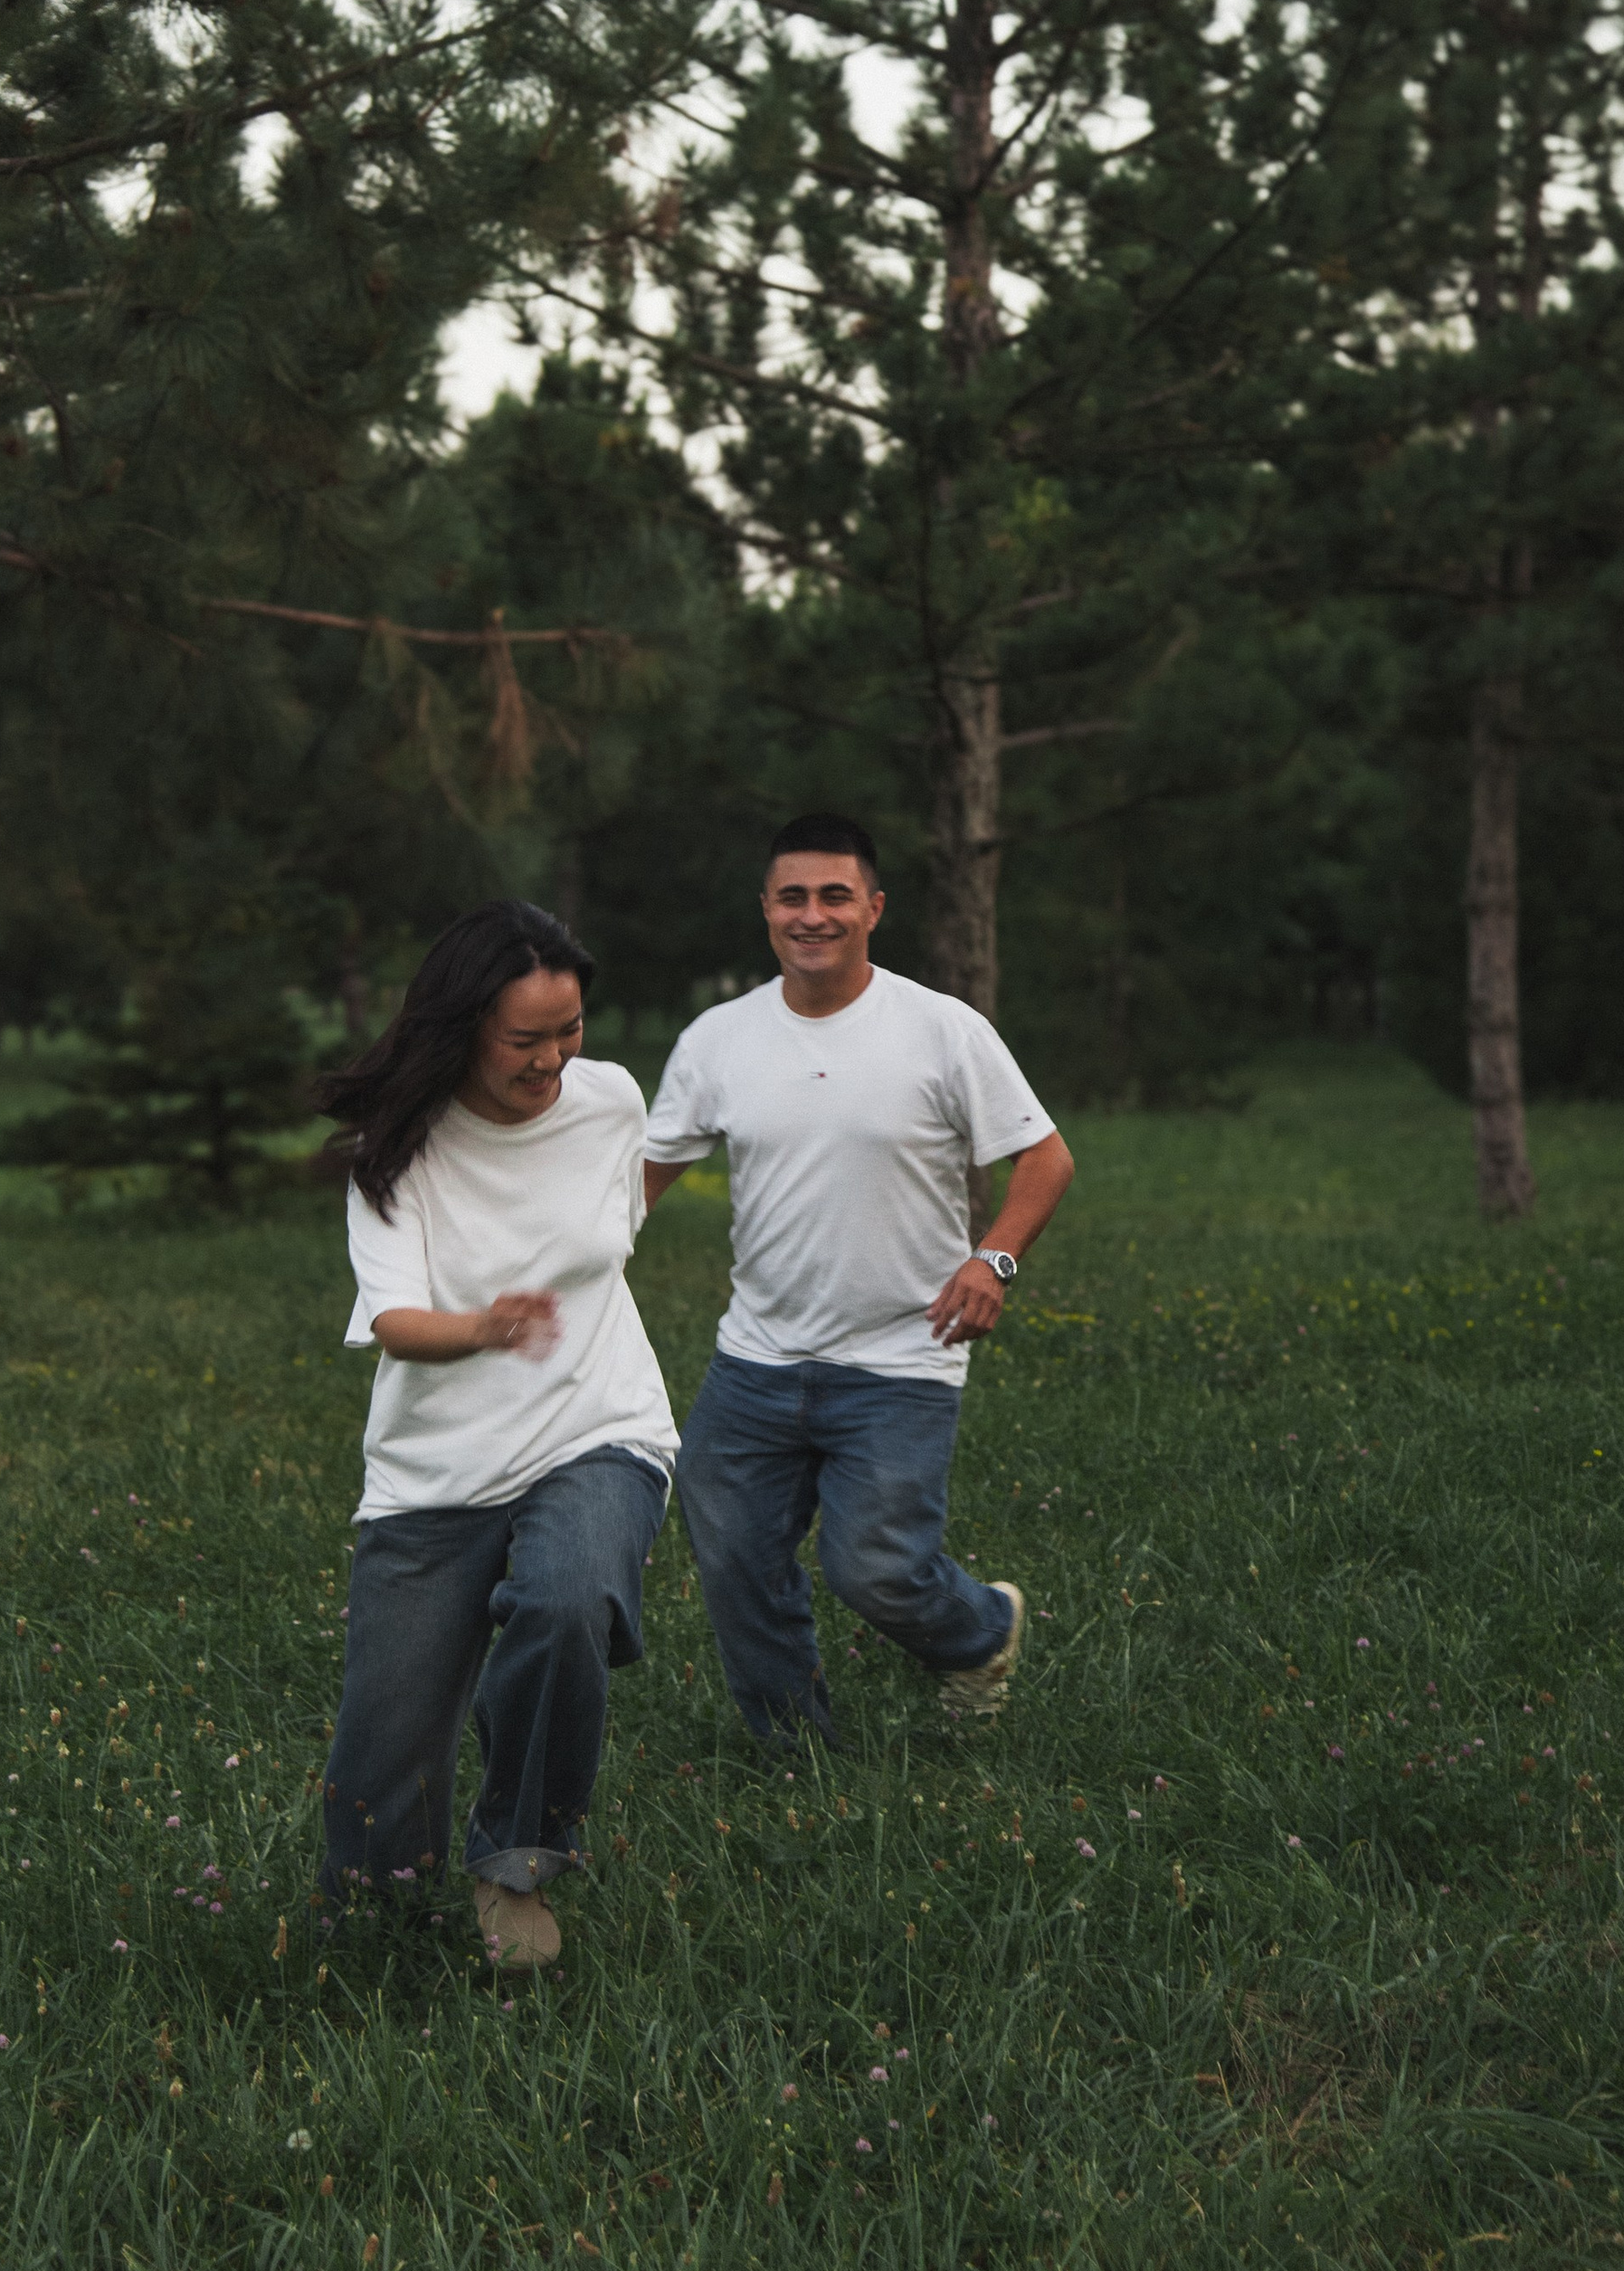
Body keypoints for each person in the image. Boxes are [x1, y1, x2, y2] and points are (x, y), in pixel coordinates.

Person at [642, 813, 1074, 1745]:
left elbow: (1045, 1158)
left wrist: (993, 1259)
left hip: (901, 1356)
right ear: (765, 909)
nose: (813, 915)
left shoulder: (941, 1030)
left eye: (834, 896)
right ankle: (791, 1745)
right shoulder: (718, 1039)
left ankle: (980, 1633)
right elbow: (640, 1180)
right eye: (792, 897)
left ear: (873, 909)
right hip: (755, 1359)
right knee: (733, 1556)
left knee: (876, 1569)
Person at [315, 899, 675, 1971]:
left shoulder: (610, 1101)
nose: (554, 1059)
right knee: (379, 1775)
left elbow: (613, 1234)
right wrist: (484, 1326)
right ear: (463, 1026)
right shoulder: (397, 1151)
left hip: (600, 1426)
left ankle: (517, 1860)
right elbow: (394, 1322)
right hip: (438, 1470)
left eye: (570, 1030)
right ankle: (380, 1933)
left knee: (567, 1599)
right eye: (526, 1038)